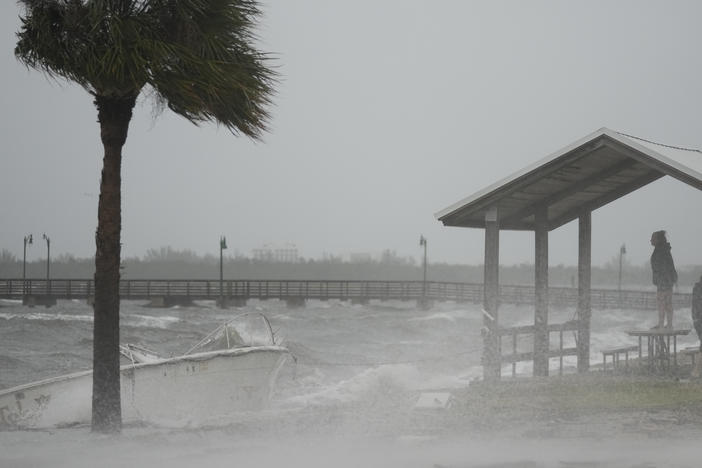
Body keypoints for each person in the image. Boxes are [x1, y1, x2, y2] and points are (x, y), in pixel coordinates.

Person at [650, 230, 678, 329]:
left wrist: (661, 280)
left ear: (658, 240)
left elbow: (663, 267)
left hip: (663, 282)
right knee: (667, 303)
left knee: (662, 303)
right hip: (666, 281)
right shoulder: (664, 250)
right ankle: (668, 324)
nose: (650, 240)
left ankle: (663, 325)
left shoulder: (660, 251)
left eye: (652, 238)